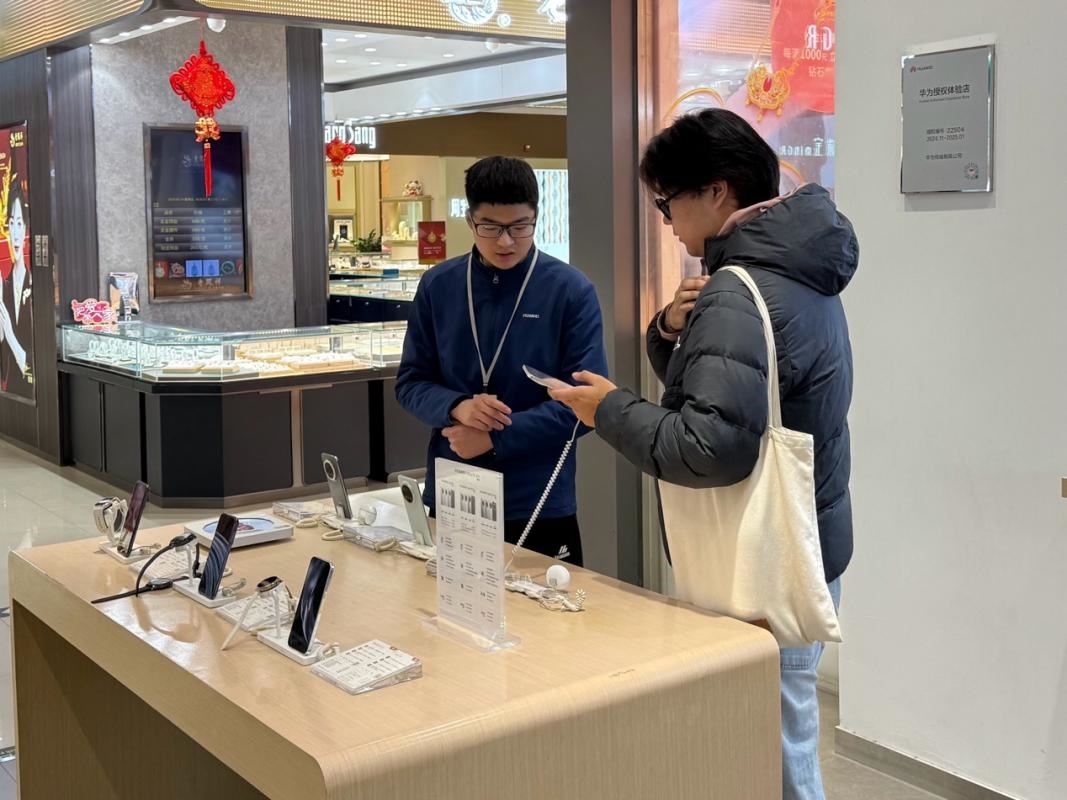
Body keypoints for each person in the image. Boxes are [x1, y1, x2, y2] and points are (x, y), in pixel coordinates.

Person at [549, 108, 857, 800]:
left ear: (716, 192)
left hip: (764, 559)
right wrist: (668, 329)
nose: (665, 222)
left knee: (770, 747)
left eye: (666, 203)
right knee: (777, 726)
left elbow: (707, 445)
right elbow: (729, 394)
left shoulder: (738, 290)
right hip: (804, 537)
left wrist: (609, 409)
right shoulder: (797, 270)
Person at [396, 156, 607, 566]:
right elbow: (411, 382)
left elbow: (587, 405)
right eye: (491, 227)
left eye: (520, 226)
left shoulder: (570, 291)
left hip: (537, 498)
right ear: (470, 220)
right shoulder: (439, 285)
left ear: (536, 218)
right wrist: (457, 406)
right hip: (455, 487)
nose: (506, 242)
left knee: (551, 608)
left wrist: (496, 437)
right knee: (448, 605)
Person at [0, 177, 33, 399]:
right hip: (10, 393)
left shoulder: (35, 284)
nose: (15, 233)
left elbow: (32, 370)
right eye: (11, 224)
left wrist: (10, 335)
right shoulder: (5, 284)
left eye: (19, 223)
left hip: (31, 392)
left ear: (27, 228)